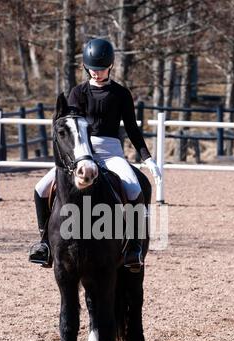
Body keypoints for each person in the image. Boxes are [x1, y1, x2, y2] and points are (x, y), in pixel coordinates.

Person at [29, 38, 161, 269]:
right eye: (92, 69)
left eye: (101, 69)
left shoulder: (121, 94)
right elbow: (70, 127)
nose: (96, 73)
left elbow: (132, 128)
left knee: (133, 187)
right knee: (41, 188)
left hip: (111, 153)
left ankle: (133, 245)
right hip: (81, 152)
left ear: (110, 66)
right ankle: (45, 243)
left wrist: (147, 157)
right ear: (86, 67)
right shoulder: (77, 92)